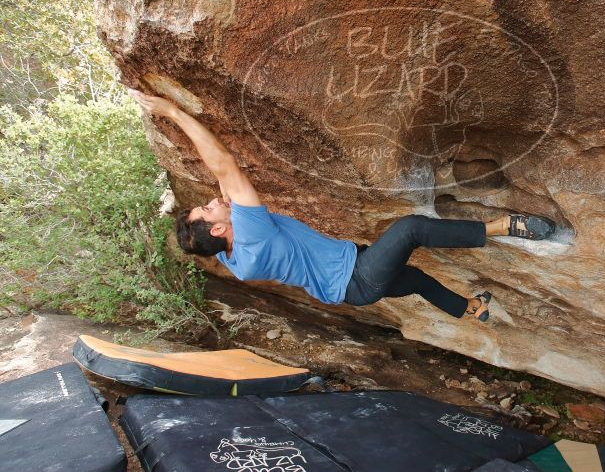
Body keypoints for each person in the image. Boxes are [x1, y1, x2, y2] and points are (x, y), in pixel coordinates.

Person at [130, 90, 556, 322]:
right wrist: (172, 111)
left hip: (352, 285)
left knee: (420, 282)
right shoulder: (253, 238)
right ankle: (506, 226)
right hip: (357, 279)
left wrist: (220, 203)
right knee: (410, 228)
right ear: (221, 230)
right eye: (207, 210)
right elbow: (224, 165)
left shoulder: (238, 260)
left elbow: (223, 182)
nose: (212, 201)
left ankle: (472, 309)